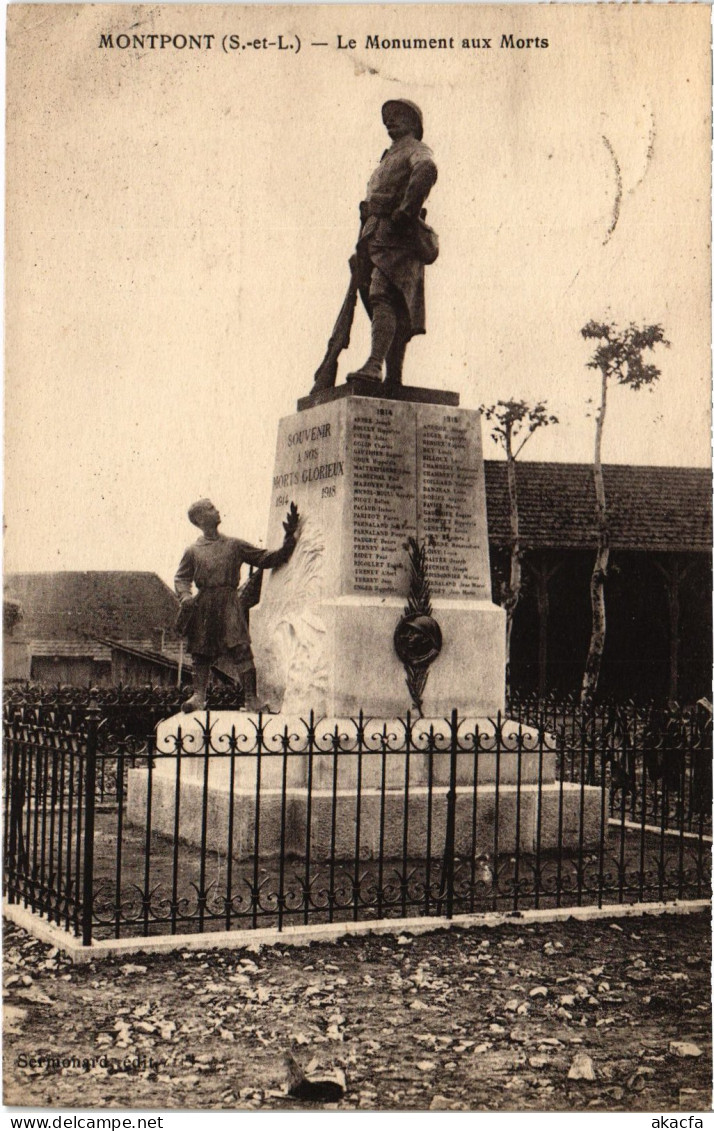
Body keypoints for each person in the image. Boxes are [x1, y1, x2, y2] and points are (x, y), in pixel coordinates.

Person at [174, 499, 298, 712]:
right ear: (200, 519)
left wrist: (289, 540)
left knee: (241, 648)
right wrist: (185, 596)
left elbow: (265, 558)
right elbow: (181, 578)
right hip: (204, 604)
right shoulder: (193, 551)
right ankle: (198, 697)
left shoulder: (233, 545)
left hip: (230, 601)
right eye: (211, 508)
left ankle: (251, 699)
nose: (217, 510)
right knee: (200, 652)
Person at [348, 99, 438, 386]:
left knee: (383, 295)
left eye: (397, 116)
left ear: (414, 122)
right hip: (376, 236)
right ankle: (393, 377)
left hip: (396, 236)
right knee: (390, 303)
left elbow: (426, 170)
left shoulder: (415, 149)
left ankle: (375, 365)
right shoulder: (389, 155)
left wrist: (406, 210)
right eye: (386, 118)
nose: (389, 121)